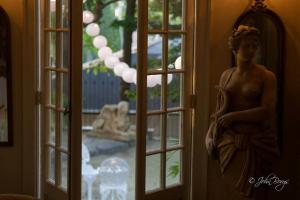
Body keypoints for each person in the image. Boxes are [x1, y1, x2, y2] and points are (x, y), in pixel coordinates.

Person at [205, 25, 280, 199]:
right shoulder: (226, 75)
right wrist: (209, 135)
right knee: (232, 191)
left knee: (256, 192)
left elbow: (267, 111)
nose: (252, 50)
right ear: (236, 47)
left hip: (257, 143)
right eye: (247, 45)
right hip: (229, 143)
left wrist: (234, 117)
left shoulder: (266, 76)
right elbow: (218, 112)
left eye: (255, 45)